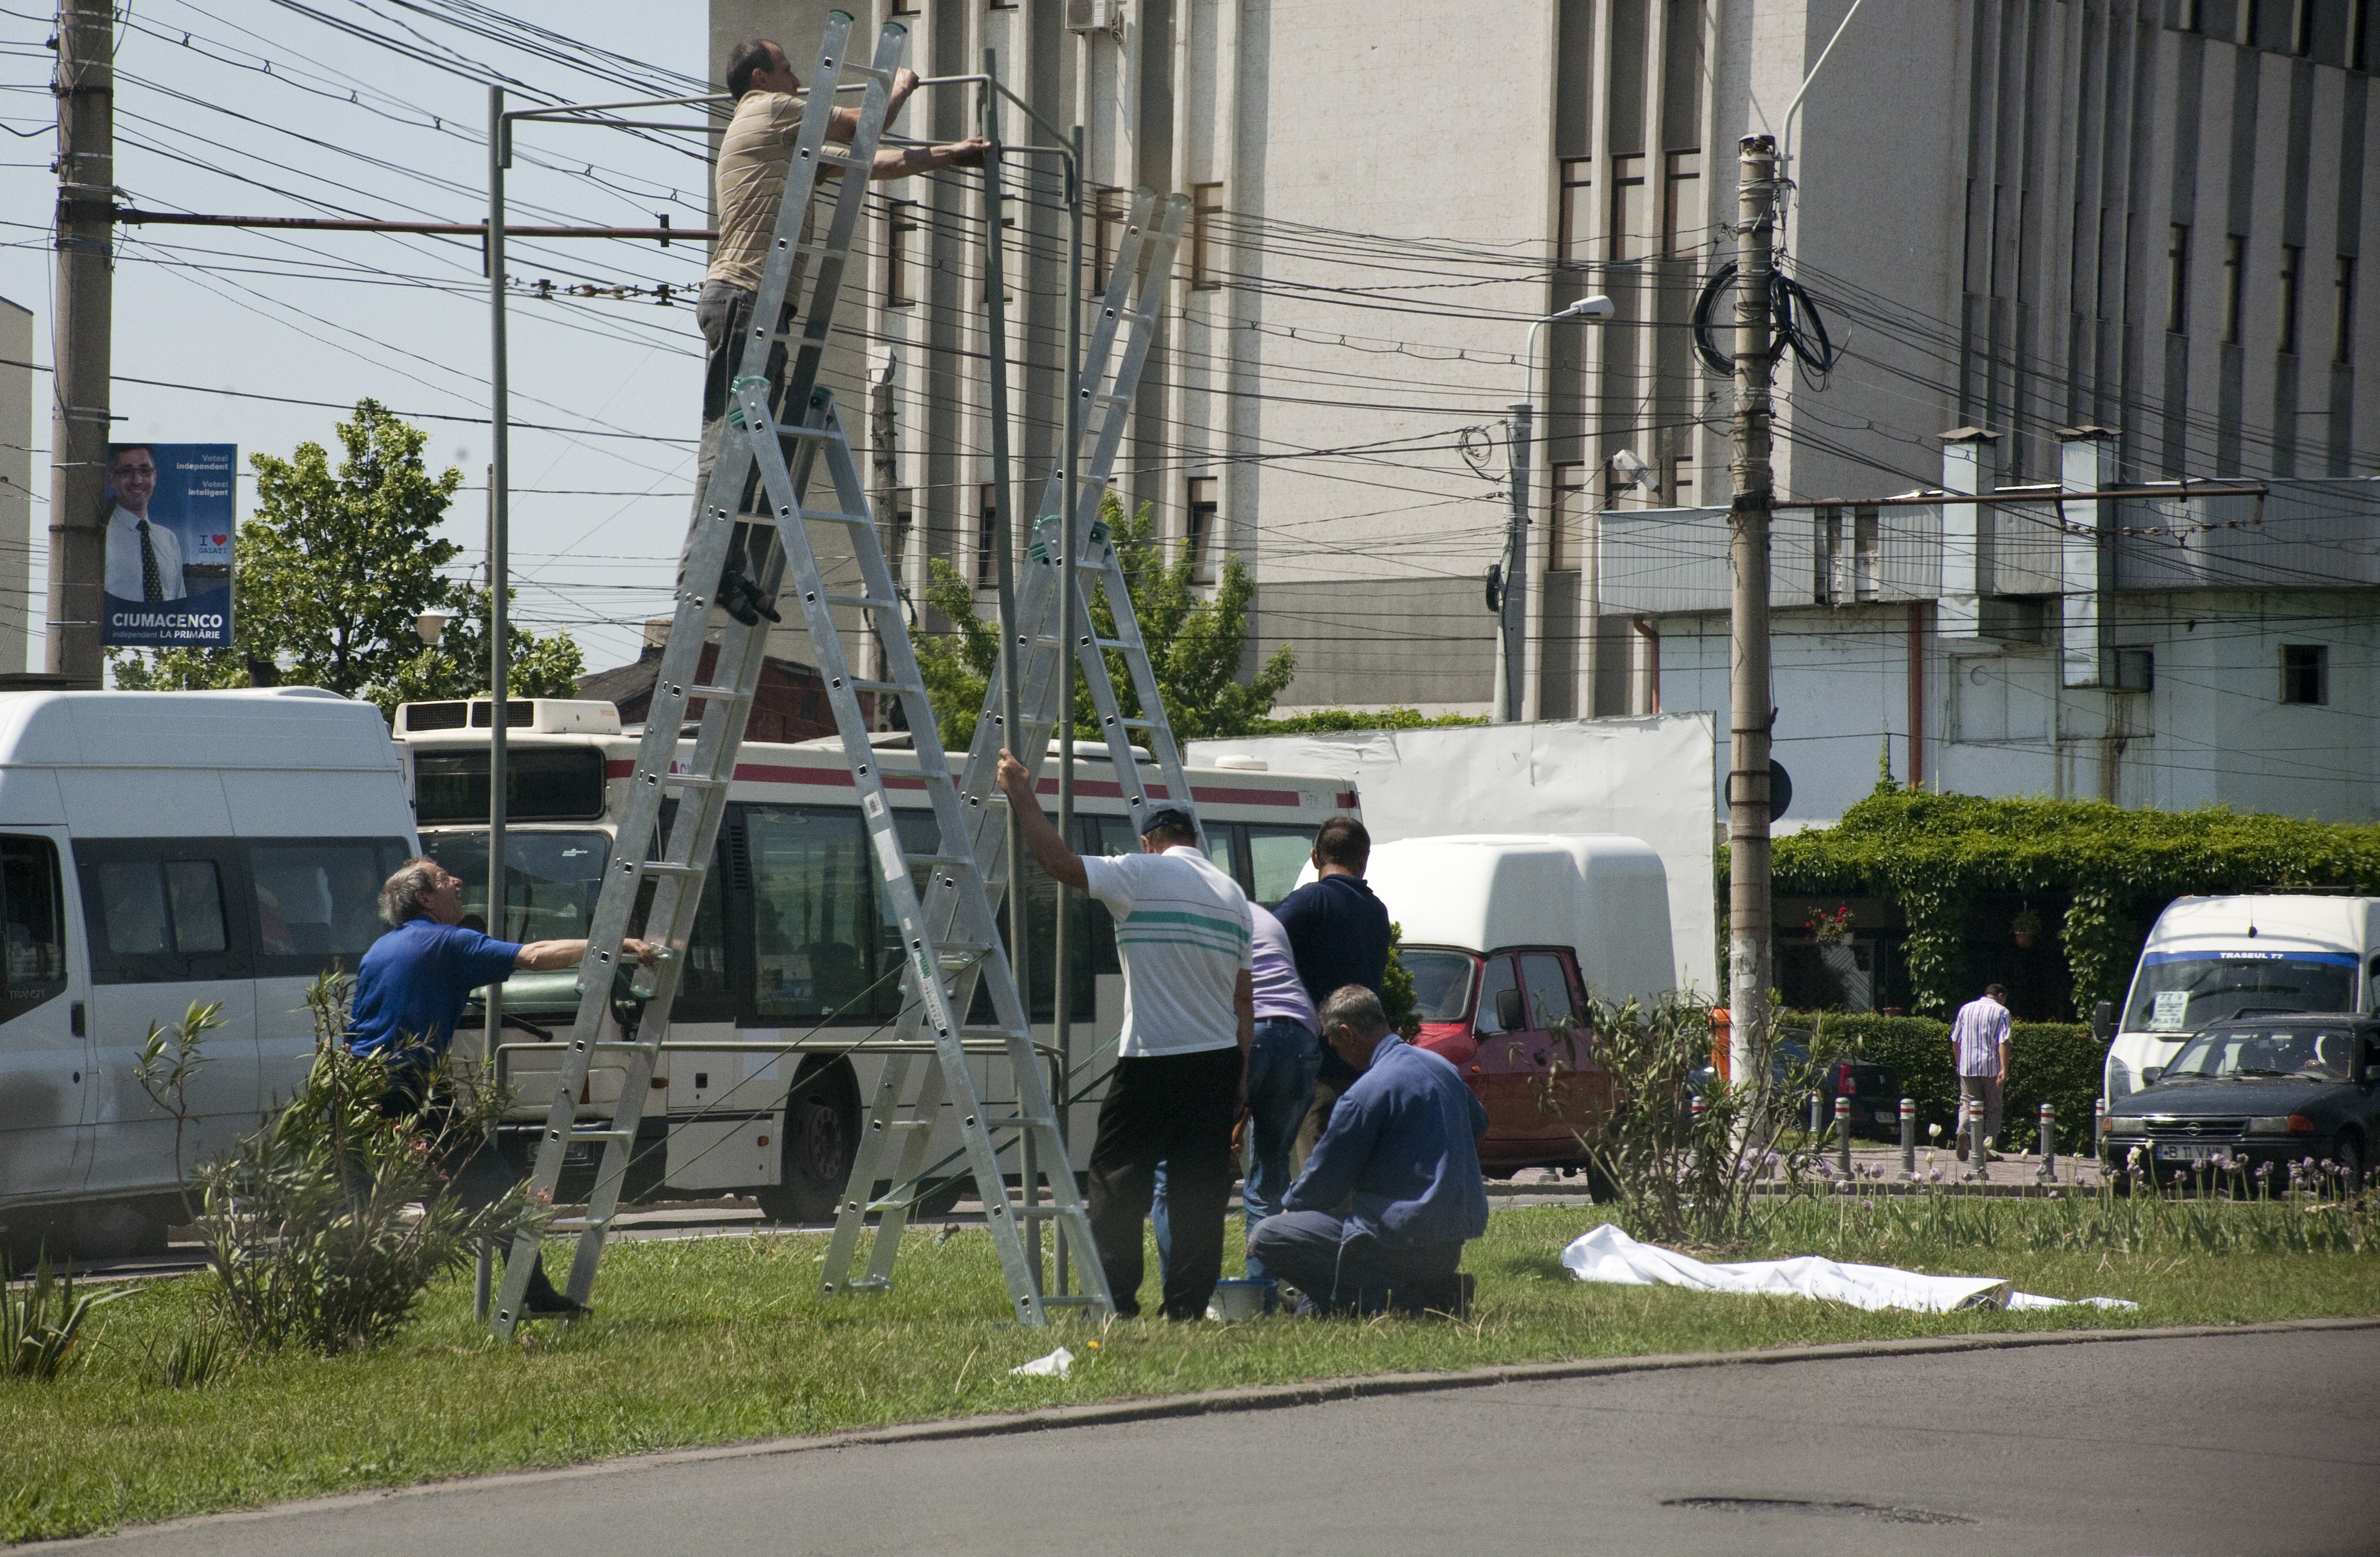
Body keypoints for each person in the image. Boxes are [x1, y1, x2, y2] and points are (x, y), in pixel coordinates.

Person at [694, 36, 986, 598]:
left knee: (752, 444)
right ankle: (703, 573)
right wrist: (895, 87)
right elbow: (859, 128)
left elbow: (870, 164)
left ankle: (727, 571)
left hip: (757, 301)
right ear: (759, 78)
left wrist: (949, 154)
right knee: (730, 444)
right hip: (745, 297)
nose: (798, 79)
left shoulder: (786, 145)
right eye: (787, 67)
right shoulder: (769, 110)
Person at [994, 749, 1253, 1321]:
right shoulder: (1233, 897)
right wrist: (1241, 1079)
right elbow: (1243, 999)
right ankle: (1186, 1308)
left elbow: (1059, 864)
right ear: (1194, 838)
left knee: (1116, 1183)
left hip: (1153, 1057)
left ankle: (1115, 1301)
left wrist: (1021, 794)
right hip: (1214, 1061)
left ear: (1149, 842)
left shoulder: (1140, 874)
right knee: (1198, 1193)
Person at [348, 857, 659, 1316]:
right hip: (410, 1089)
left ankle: (349, 1307)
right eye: (442, 878)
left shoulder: (380, 950)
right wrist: (616, 944)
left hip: (355, 1090)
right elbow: (536, 955)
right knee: (492, 1186)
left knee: (361, 1206)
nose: (457, 881)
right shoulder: (445, 943)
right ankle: (532, 1295)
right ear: (424, 898)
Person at [1247, 984, 1488, 1316]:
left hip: (1396, 1239)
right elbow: (1479, 1124)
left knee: (1268, 1236)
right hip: (1449, 1241)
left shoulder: (1365, 1094)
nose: (1336, 1053)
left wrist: (1293, 1206)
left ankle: (1401, 1301)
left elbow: (1325, 1178)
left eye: (1333, 1044)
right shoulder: (1442, 1068)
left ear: (1346, 1033)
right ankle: (1431, 1290)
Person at [1151, 900, 1318, 1290]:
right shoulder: (1264, 917)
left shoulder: (1199, 913)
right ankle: (1262, 1295)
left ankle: (1182, 1296)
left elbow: (1222, 1004)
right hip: (1299, 1036)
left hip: (1247, 1033)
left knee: (1171, 1171)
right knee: (1271, 1174)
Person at [1274, 816, 1391, 1168]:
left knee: (1317, 1170)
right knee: (1354, 1165)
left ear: (1314, 858)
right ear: (1364, 860)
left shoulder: (1309, 901)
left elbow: (1261, 941)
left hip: (1318, 1062)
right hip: (1364, 1060)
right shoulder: (1377, 911)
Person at [102, 445, 186, 603]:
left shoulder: (168, 539)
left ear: (154, 477)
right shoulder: (102, 535)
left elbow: (179, 605)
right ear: (112, 479)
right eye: (127, 471)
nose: (137, 480)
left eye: (145, 470)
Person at [1949, 981, 2012, 1163]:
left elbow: (1955, 1040)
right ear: (2001, 996)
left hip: (1968, 1066)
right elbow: (2004, 1042)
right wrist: (2004, 1069)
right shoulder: (2002, 1012)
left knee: (1967, 1103)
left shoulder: (1966, 1009)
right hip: (1991, 1067)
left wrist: (1959, 1063)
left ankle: (1962, 1132)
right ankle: (1988, 1149)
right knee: (1994, 1108)